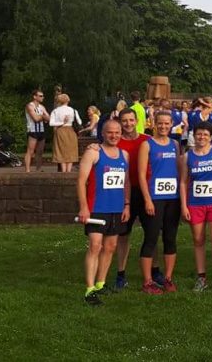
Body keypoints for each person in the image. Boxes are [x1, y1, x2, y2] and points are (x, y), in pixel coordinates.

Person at [76, 119, 130, 305]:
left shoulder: (124, 155)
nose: (113, 136)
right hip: (96, 208)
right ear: (103, 134)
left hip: (116, 209)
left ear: (121, 133)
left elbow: (126, 183)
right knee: (95, 246)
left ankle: (101, 283)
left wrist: (127, 205)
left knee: (110, 247)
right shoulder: (93, 152)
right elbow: (81, 181)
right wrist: (84, 207)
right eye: (109, 132)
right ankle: (89, 290)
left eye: (117, 132)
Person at [180, 121, 212, 292]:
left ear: (211, 136)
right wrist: (183, 206)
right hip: (195, 204)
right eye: (199, 134)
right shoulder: (188, 156)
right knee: (198, 241)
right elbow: (183, 182)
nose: (201, 137)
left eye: (205, 135)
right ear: (194, 135)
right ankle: (201, 278)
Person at [112, 108, 156, 289]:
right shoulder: (115, 141)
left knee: (152, 234)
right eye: (125, 121)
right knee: (123, 235)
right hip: (124, 192)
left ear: (137, 120)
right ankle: (121, 273)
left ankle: (155, 269)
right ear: (120, 122)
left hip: (147, 192)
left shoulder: (147, 140)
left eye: (131, 120)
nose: (128, 124)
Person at [137, 111, 181, 294]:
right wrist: (147, 199)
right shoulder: (147, 145)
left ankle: (168, 278)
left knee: (170, 238)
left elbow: (179, 171)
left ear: (171, 124)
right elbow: (140, 174)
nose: (163, 127)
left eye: (166, 124)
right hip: (154, 198)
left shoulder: (175, 145)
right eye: (160, 123)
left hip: (173, 199)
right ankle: (148, 281)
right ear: (154, 124)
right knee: (151, 238)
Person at [49, 93, 80, 173]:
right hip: (70, 130)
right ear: (68, 100)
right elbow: (79, 122)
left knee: (61, 150)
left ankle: (63, 171)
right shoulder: (73, 110)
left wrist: (61, 122)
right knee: (71, 150)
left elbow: (51, 123)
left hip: (60, 131)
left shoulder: (55, 111)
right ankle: (68, 171)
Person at [24, 89, 50, 172]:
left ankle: (38, 169)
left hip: (41, 130)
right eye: (40, 96)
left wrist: (41, 117)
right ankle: (27, 170)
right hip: (32, 130)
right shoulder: (29, 106)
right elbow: (35, 118)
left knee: (40, 151)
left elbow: (49, 118)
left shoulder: (42, 107)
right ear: (35, 97)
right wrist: (42, 116)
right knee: (30, 151)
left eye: (43, 96)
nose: (43, 97)